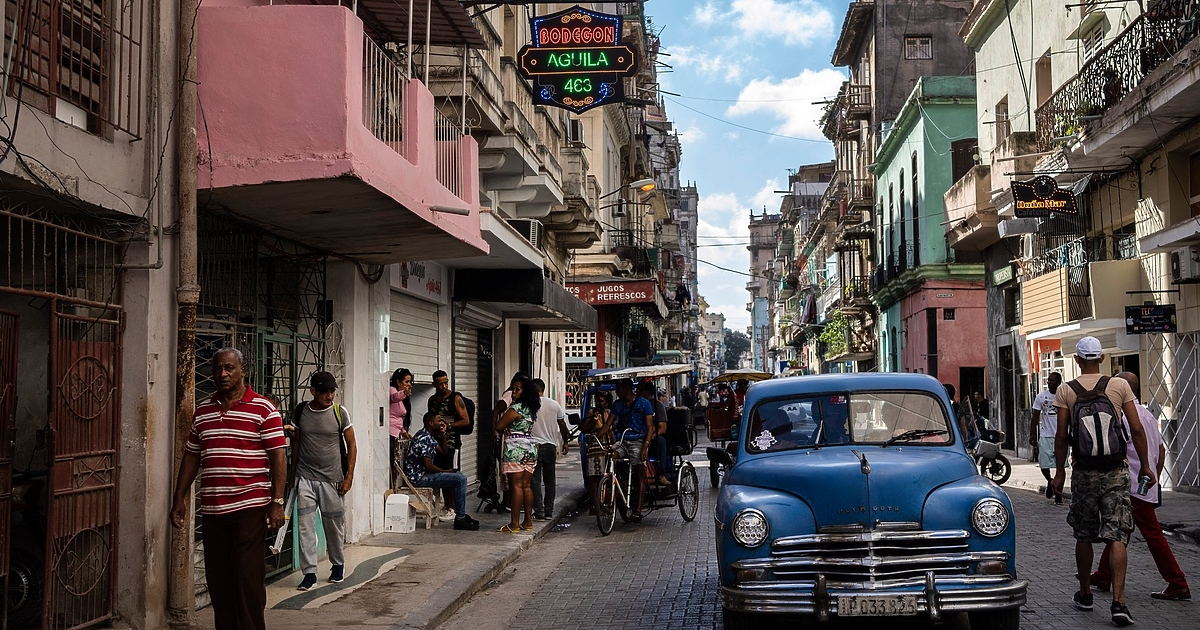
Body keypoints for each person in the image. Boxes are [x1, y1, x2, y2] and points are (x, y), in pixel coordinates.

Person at [170, 348, 287, 630]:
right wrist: (179, 498)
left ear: (243, 371)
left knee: (247, 579)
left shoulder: (264, 409)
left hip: (250, 508)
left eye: (229, 368)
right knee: (219, 580)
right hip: (213, 510)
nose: (222, 374)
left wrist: (277, 502)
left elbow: (278, 457)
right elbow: (191, 456)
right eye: (218, 368)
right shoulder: (204, 410)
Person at [1052, 336, 1155, 627]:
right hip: (1115, 472)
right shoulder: (1119, 385)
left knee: (1084, 535)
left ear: (1077, 360)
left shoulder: (1065, 390)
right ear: (1101, 358)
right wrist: (1145, 466)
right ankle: (1119, 603)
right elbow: (1135, 429)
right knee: (1117, 534)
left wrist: (1059, 471)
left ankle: (1085, 594)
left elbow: (1061, 436)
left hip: (1084, 473)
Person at [1091, 372, 1190, 601]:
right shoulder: (1146, 414)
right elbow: (1161, 450)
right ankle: (1104, 574)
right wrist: (1153, 473)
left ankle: (1178, 581)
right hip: (1145, 484)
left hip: (1131, 485)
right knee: (1121, 530)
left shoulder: (1125, 417)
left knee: (1150, 535)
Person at [291, 371, 357, 590]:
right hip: (306, 477)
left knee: (333, 525)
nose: (330, 396)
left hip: (332, 480)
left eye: (332, 392)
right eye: (325, 392)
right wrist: (293, 477)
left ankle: (337, 565)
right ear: (312, 391)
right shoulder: (301, 411)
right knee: (305, 528)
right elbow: (297, 443)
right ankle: (309, 573)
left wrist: (348, 478)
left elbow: (352, 445)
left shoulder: (340, 413)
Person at [404, 411, 480, 531]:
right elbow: (428, 466)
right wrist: (446, 471)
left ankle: (461, 515)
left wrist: (443, 433)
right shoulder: (424, 438)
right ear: (430, 422)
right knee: (460, 479)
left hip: (424, 474)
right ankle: (460, 518)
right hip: (418, 478)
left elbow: (444, 451)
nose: (442, 422)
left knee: (459, 476)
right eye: (438, 420)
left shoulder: (429, 436)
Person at [496, 375, 541, 532]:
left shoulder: (515, 409)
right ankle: (527, 521)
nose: (513, 392)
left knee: (515, 486)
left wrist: (505, 427)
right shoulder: (531, 409)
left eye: (517, 389)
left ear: (524, 392)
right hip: (530, 448)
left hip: (515, 449)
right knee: (526, 486)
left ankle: (514, 524)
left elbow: (499, 426)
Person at [609, 378, 655, 521]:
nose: (616, 391)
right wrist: (594, 437)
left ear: (627, 388)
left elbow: (650, 427)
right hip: (623, 440)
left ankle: (638, 510)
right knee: (610, 455)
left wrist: (645, 447)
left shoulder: (644, 404)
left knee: (639, 472)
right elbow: (607, 425)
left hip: (638, 440)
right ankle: (619, 481)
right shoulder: (617, 405)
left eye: (619, 388)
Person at [428, 370, 470, 520]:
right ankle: (447, 506)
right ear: (434, 384)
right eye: (440, 384)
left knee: (452, 474)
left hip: (452, 444)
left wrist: (449, 426)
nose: (444, 386)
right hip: (436, 445)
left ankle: (453, 508)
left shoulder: (455, 398)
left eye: (446, 382)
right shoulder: (432, 400)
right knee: (441, 475)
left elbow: (466, 420)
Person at [530, 378, 571, 521]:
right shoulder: (554, 405)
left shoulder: (529, 405)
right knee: (549, 480)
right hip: (550, 446)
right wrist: (565, 442)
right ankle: (549, 511)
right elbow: (562, 424)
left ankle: (539, 512)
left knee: (534, 480)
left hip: (533, 446)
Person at [1032, 372, 1065, 503]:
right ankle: (1050, 481)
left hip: (1061, 436)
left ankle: (1059, 495)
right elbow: (1035, 416)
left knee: (1060, 467)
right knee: (1044, 464)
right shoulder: (1041, 397)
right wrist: (1032, 434)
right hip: (1046, 435)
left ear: (1058, 382)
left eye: (1052, 380)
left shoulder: (1063, 396)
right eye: (1048, 380)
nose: (1049, 382)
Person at [582, 391, 615, 515]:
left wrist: (614, 445)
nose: (599, 403)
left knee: (605, 477)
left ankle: (602, 503)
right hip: (595, 448)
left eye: (601, 401)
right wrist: (593, 422)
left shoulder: (608, 414)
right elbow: (584, 429)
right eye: (598, 401)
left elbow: (610, 432)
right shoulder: (592, 413)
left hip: (607, 448)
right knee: (595, 478)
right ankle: (594, 506)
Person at [638, 381, 674, 487]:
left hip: (652, 438)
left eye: (641, 391)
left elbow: (662, 428)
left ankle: (661, 474)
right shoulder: (636, 405)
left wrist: (652, 436)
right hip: (638, 437)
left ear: (648, 392)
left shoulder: (657, 406)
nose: (639, 393)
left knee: (661, 441)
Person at [389, 368, 413, 487]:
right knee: (392, 462)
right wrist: (404, 393)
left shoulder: (403, 397)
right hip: (391, 433)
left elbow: (399, 419)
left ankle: (393, 487)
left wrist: (404, 431)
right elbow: (394, 397)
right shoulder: (393, 390)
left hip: (397, 433)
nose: (409, 385)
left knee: (396, 463)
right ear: (399, 382)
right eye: (407, 382)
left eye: (410, 382)